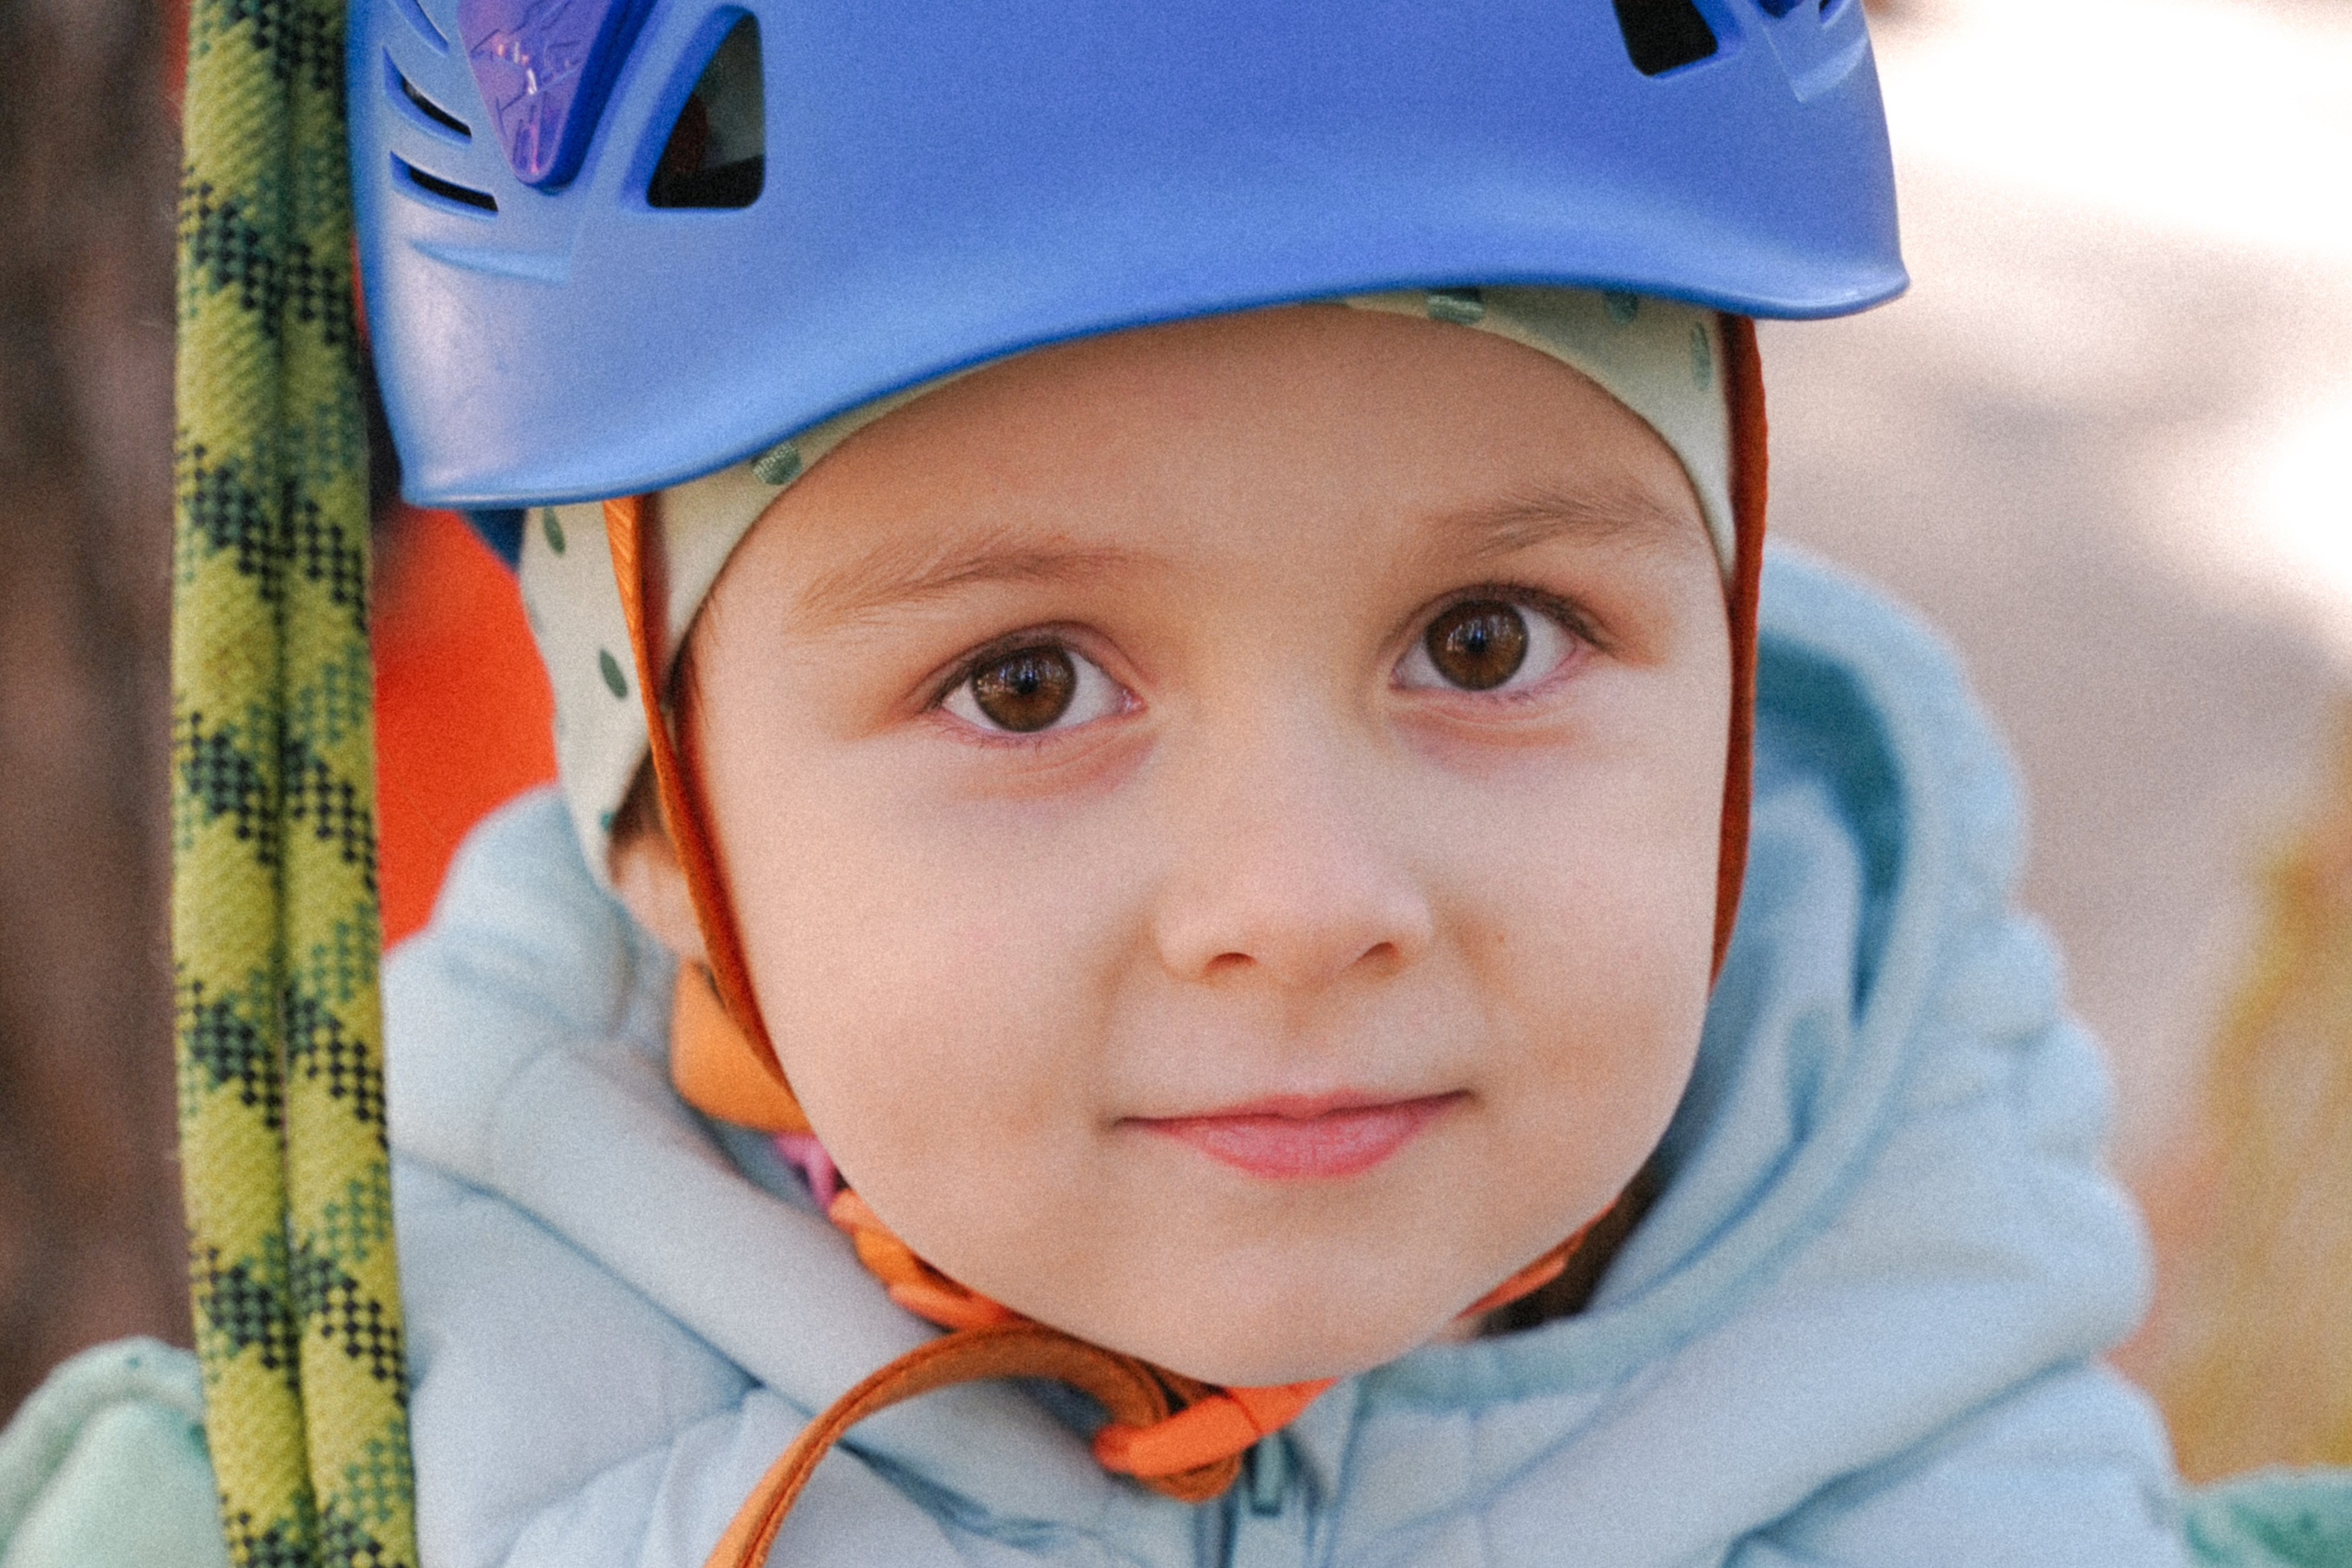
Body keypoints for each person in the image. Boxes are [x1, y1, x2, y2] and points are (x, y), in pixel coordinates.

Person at [0, 0, 2218, 1563]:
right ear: (659, 810)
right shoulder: (339, 1487)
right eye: (1028, 683)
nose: (1298, 895)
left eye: (1483, 640)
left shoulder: (1958, 1415)